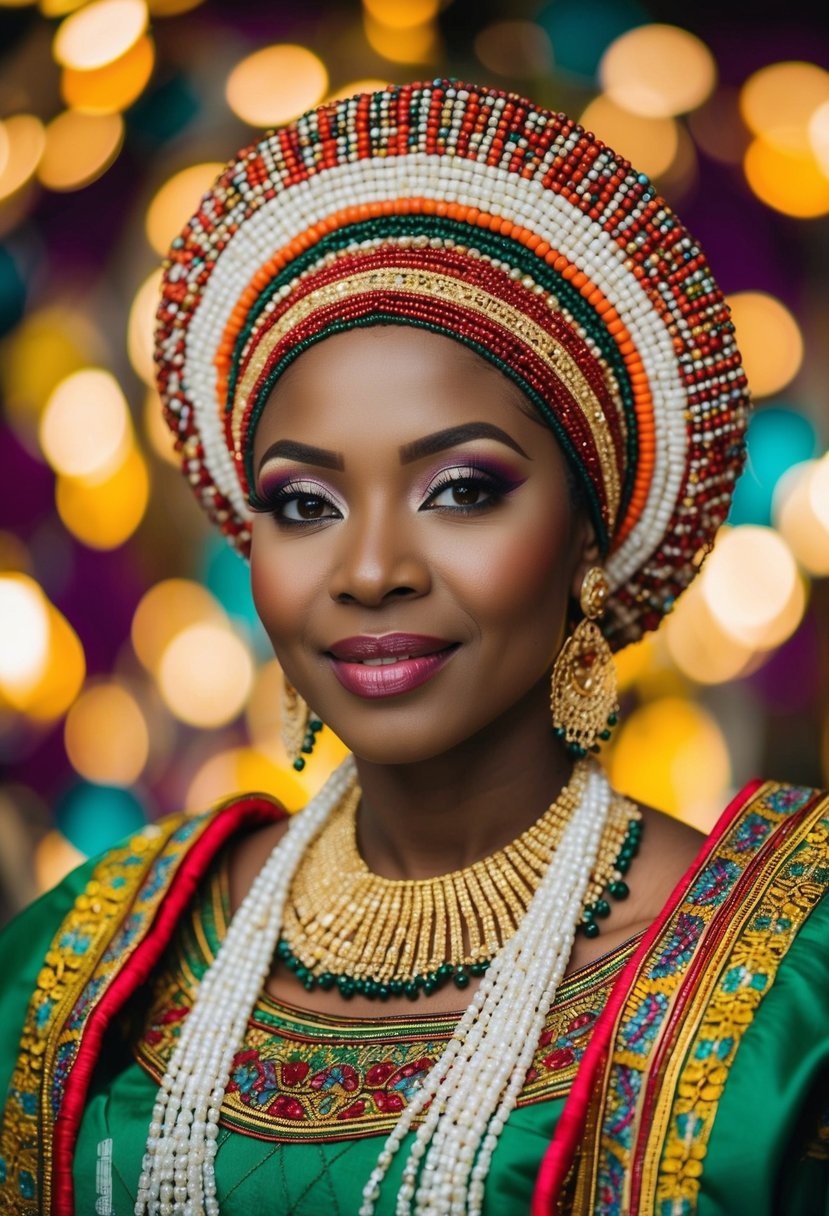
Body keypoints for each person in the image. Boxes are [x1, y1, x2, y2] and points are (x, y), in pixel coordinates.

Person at [0, 80, 827, 1216]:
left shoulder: (787, 983)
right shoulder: (86, 964)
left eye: (461, 489)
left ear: (588, 532)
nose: (370, 567)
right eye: (304, 503)